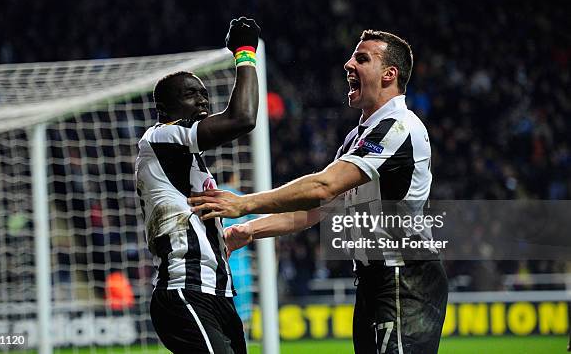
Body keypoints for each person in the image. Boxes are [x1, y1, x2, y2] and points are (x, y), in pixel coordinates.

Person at [189, 30, 448, 353]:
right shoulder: (358, 136)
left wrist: (245, 204)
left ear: (389, 74)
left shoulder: (399, 127)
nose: (348, 64)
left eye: (362, 59)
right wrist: (249, 230)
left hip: (404, 277)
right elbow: (318, 208)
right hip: (375, 280)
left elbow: (323, 186)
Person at [135, 16, 260, 354]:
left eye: (205, 96)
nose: (203, 102)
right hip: (183, 289)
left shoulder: (187, 158)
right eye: (191, 95)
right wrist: (246, 52)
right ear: (164, 108)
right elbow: (243, 118)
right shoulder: (159, 137)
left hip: (218, 294)